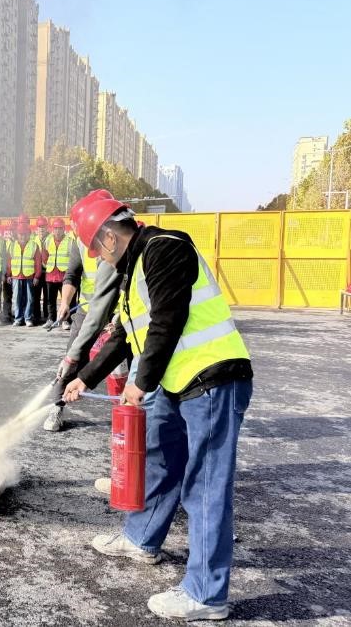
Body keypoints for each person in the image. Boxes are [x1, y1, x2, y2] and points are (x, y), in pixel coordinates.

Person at [63, 197, 254, 621]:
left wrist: (139, 383)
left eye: (97, 249)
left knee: (205, 485)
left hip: (213, 377)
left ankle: (206, 595)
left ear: (109, 237)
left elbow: (168, 320)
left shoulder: (166, 247)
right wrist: (85, 378)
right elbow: (125, 336)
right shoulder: (134, 270)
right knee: (160, 459)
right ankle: (141, 539)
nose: (99, 258)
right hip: (177, 380)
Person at [46, 191, 124, 431]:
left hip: (116, 316)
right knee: (71, 360)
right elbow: (72, 275)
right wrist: (65, 303)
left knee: (121, 368)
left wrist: (118, 318)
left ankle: (127, 417)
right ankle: (56, 408)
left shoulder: (117, 242)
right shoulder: (79, 243)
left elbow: (124, 285)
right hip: (87, 312)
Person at [7, 223, 42, 326]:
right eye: (20, 234)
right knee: (17, 298)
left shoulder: (34, 245)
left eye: (25, 234)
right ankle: (18, 318)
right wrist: (8, 274)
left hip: (29, 277)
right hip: (16, 276)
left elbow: (38, 263)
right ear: (17, 235)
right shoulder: (12, 246)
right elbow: (9, 262)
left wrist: (37, 276)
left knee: (29, 298)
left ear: (28, 234)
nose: (22, 236)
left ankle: (28, 318)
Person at [41, 217, 69, 328]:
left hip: (64, 276)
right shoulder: (47, 240)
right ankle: (50, 319)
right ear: (52, 229)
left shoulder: (69, 241)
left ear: (64, 229)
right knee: (50, 300)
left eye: (60, 228)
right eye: (56, 228)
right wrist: (48, 266)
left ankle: (65, 321)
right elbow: (44, 257)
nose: (58, 231)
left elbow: (73, 258)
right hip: (51, 275)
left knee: (66, 300)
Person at [31, 216, 50, 324]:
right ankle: (36, 316)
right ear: (36, 228)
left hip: (48, 271)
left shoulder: (51, 239)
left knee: (48, 296)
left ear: (47, 227)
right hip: (37, 272)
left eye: (43, 226)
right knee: (36, 295)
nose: (41, 229)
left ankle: (47, 316)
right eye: (39, 227)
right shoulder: (33, 240)